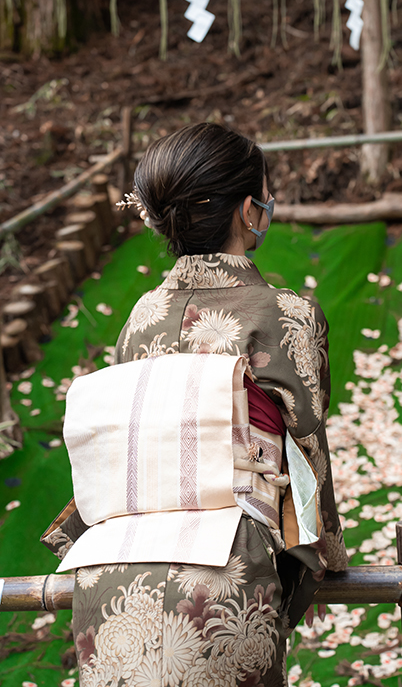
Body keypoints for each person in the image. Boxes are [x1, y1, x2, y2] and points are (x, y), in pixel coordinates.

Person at [42, 123, 349, 687]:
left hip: (111, 572)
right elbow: (307, 446)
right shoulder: (286, 314)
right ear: (247, 212)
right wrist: (327, 554)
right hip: (224, 572)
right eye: (263, 193)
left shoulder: (141, 316)